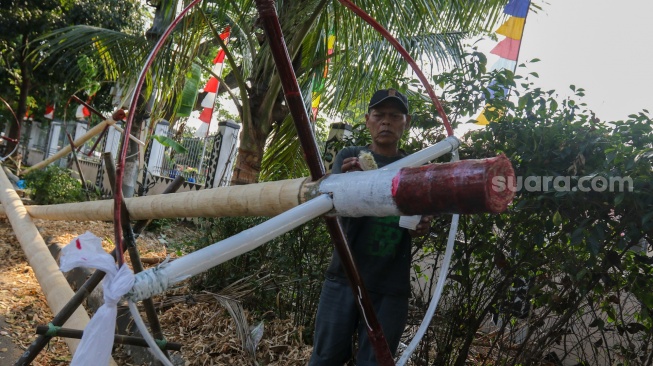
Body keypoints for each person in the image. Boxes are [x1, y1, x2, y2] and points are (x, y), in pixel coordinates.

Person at [309, 89, 432, 365]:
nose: (385, 122)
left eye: (394, 116)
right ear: (367, 120)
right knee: (325, 357)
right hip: (344, 276)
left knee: (375, 362)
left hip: (390, 286)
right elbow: (331, 206)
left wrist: (421, 225)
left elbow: (418, 221)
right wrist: (350, 184)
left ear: (406, 121)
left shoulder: (414, 168)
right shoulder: (351, 157)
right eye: (379, 115)